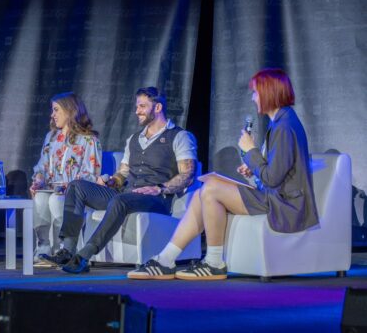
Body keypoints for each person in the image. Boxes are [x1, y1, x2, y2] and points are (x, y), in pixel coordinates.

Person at [128, 68, 319, 281]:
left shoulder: (284, 126)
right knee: (205, 189)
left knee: (210, 189)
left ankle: (214, 262)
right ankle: (166, 259)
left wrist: (251, 151)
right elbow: (276, 170)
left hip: (284, 205)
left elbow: (272, 178)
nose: (253, 97)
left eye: (256, 92)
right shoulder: (281, 123)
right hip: (274, 197)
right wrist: (252, 163)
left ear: (269, 93)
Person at [39, 87, 198, 274]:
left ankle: (83, 257)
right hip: (128, 194)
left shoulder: (180, 136)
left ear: (157, 108)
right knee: (77, 187)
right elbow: (123, 173)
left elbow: (188, 175)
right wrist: (112, 181)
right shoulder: (133, 139)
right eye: (137, 106)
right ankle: (67, 249)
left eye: (142, 106)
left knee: (120, 200)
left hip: (157, 199)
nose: (137, 110)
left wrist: (160, 188)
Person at [30, 92, 102, 264]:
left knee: (56, 200)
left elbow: (92, 174)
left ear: (70, 111)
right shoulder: (51, 138)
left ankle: (64, 248)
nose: (52, 115)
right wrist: (39, 178)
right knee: (40, 197)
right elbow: (41, 166)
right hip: (53, 189)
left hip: (77, 194)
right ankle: (43, 247)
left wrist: (68, 185)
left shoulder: (89, 140)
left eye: (56, 110)